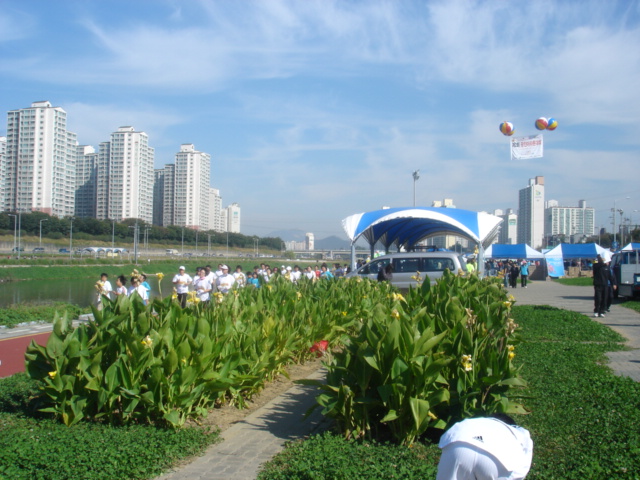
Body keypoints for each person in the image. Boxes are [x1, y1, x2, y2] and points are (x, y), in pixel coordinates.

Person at [436, 415, 533, 480]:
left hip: (459, 444)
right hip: (497, 460)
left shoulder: (478, 421)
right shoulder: (520, 433)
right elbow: (520, 470)